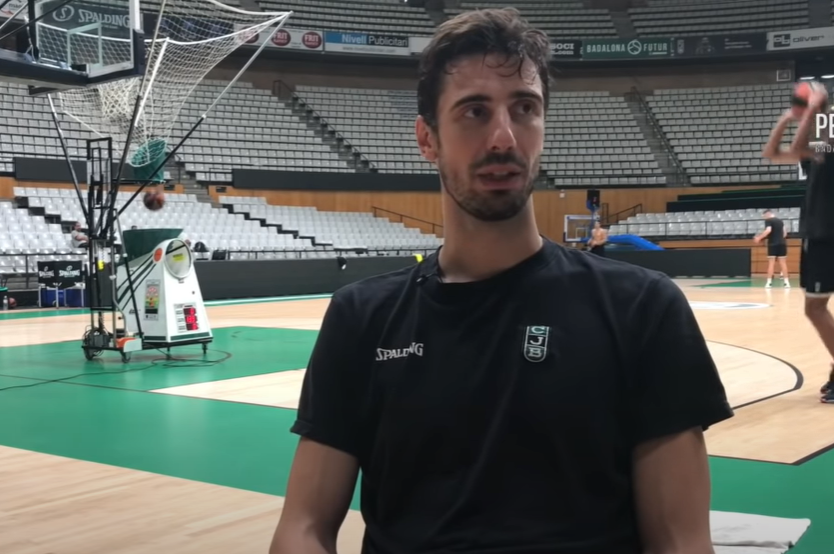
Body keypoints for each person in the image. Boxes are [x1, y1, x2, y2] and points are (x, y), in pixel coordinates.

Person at [269, 8, 734, 554]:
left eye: (524, 109)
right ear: (427, 139)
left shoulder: (643, 308)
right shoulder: (361, 317)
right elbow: (303, 528)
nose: (503, 137)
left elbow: (681, 542)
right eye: (474, 111)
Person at [762, 82, 834, 402]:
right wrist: (785, 118)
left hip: (827, 234)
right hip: (820, 233)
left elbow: (801, 142)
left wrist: (814, 107)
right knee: (815, 307)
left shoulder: (828, 138)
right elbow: (773, 153)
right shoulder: (818, 149)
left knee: (815, 307)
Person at [753, 209, 790, 288]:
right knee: (783, 263)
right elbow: (785, 233)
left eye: (764, 216)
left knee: (771, 263)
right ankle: (787, 283)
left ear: (767, 214)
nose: (764, 218)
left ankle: (769, 283)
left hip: (772, 244)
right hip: (782, 243)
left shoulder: (768, 220)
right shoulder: (780, 221)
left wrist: (759, 238)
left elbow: (768, 230)